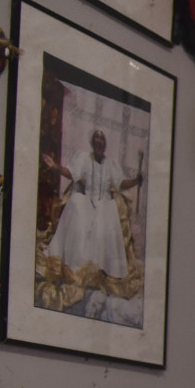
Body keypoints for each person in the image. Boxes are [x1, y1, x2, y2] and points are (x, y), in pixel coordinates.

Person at [43, 127, 143, 322]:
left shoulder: (111, 164)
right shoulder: (83, 158)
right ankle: (77, 268)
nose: (99, 141)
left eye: (102, 138)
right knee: (76, 206)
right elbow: (71, 173)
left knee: (109, 214)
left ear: (105, 144)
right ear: (92, 142)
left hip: (104, 203)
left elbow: (121, 183)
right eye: (96, 138)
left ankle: (102, 272)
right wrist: (55, 166)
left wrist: (136, 180)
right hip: (87, 199)